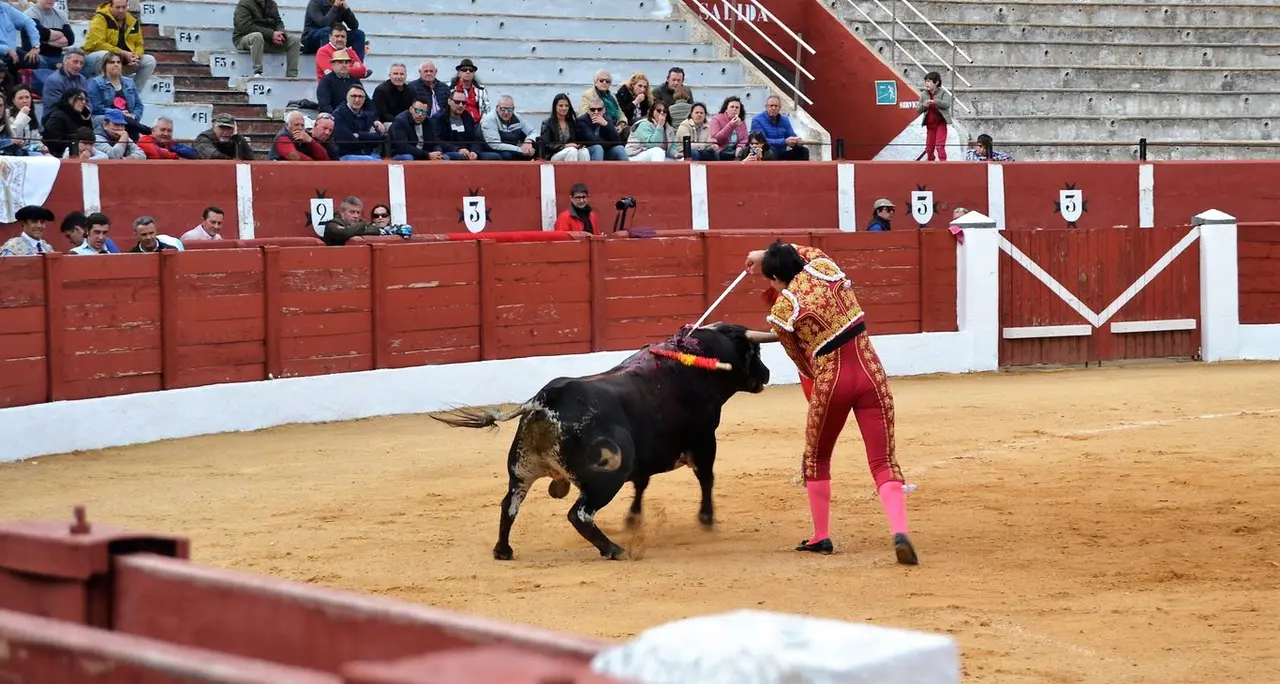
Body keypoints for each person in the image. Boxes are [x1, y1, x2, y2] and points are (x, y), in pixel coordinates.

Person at [742, 240, 918, 565]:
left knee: (816, 459)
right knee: (883, 462)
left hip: (831, 378)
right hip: (871, 371)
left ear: (777, 278)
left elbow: (800, 359)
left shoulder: (783, 309)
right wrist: (764, 256)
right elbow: (805, 250)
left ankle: (821, 536)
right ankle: (900, 531)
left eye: (770, 279)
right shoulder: (825, 269)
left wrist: (747, 336)